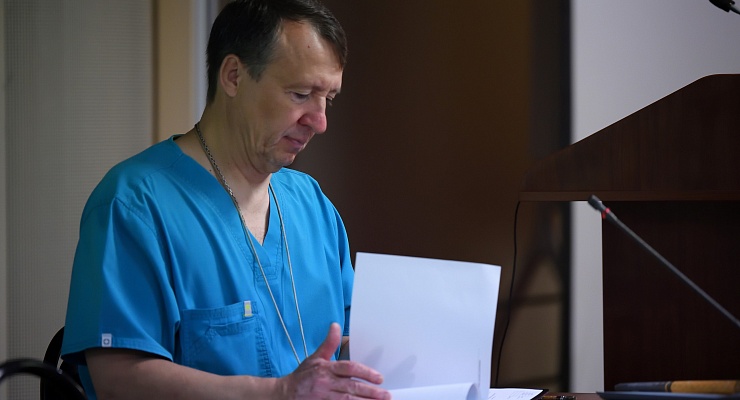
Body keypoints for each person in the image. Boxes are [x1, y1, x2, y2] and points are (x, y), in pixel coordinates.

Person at [61, 0, 390, 399]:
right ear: (234, 76)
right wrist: (279, 393)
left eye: (328, 99)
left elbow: (346, 344)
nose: (319, 122)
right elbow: (117, 380)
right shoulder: (134, 205)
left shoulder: (312, 206)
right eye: (301, 93)